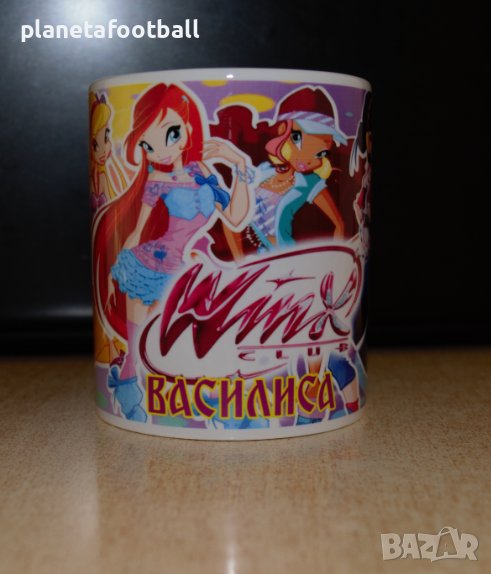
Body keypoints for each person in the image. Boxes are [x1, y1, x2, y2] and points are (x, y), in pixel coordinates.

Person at [93, 83, 252, 422]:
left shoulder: (202, 174)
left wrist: (238, 163)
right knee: (139, 345)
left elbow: (236, 217)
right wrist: (112, 272)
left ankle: (216, 400)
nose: (161, 151)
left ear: (188, 129)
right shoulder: (157, 182)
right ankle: (129, 396)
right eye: (148, 144)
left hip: (182, 270)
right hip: (146, 266)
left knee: (187, 335)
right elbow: (137, 231)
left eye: (171, 133)